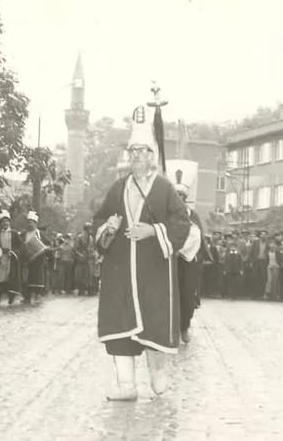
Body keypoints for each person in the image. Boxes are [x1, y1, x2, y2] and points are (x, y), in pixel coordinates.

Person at [92, 105, 191, 401]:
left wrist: (154, 231)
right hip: (121, 273)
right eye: (132, 151)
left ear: (152, 156)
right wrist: (107, 227)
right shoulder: (117, 188)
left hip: (154, 273)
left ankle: (158, 376)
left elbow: (181, 222)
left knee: (154, 323)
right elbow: (99, 220)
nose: (136, 156)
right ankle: (126, 385)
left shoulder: (164, 189)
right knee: (121, 326)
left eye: (142, 151)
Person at [173, 180, 204, 344]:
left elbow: (196, 235)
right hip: (171, 259)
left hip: (188, 260)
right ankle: (170, 330)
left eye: (181, 195)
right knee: (170, 294)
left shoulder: (192, 215)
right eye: (176, 195)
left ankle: (184, 327)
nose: (178, 197)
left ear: (185, 197)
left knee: (187, 295)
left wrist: (182, 250)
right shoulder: (167, 215)